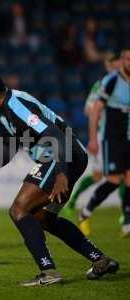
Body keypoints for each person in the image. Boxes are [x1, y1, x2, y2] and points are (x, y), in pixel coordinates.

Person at [0, 68, 119, 286]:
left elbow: (55, 135)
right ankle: (100, 259)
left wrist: (61, 173)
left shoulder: (16, 105)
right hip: (67, 156)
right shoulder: (1, 110)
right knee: (44, 219)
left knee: (18, 210)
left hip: (62, 155)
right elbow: (11, 143)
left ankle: (48, 271)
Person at [63, 52, 123, 219]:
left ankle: (126, 217)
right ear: (108, 65)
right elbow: (89, 109)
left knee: (124, 174)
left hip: (123, 135)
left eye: (117, 63)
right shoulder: (102, 85)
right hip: (106, 135)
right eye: (112, 64)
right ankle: (75, 201)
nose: (115, 67)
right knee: (99, 176)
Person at [79, 48, 130, 237]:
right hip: (111, 138)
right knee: (111, 179)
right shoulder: (109, 82)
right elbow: (92, 110)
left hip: (128, 137)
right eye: (126, 59)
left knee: (128, 179)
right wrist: (93, 139)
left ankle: (127, 222)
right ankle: (85, 211)